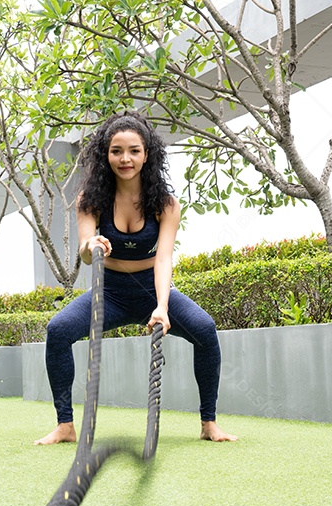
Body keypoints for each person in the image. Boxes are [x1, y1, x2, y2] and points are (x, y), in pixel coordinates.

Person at [34, 111, 237, 445]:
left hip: (151, 291)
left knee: (205, 329)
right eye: (116, 151)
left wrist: (161, 306)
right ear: (105, 154)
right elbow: (85, 255)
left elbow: (164, 258)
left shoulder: (166, 203)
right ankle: (65, 425)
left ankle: (209, 422)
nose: (125, 159)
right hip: (109, 293)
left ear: (147, 154)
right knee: (58, 330)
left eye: (133, 151)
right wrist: (91, 244)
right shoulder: (91, 199)